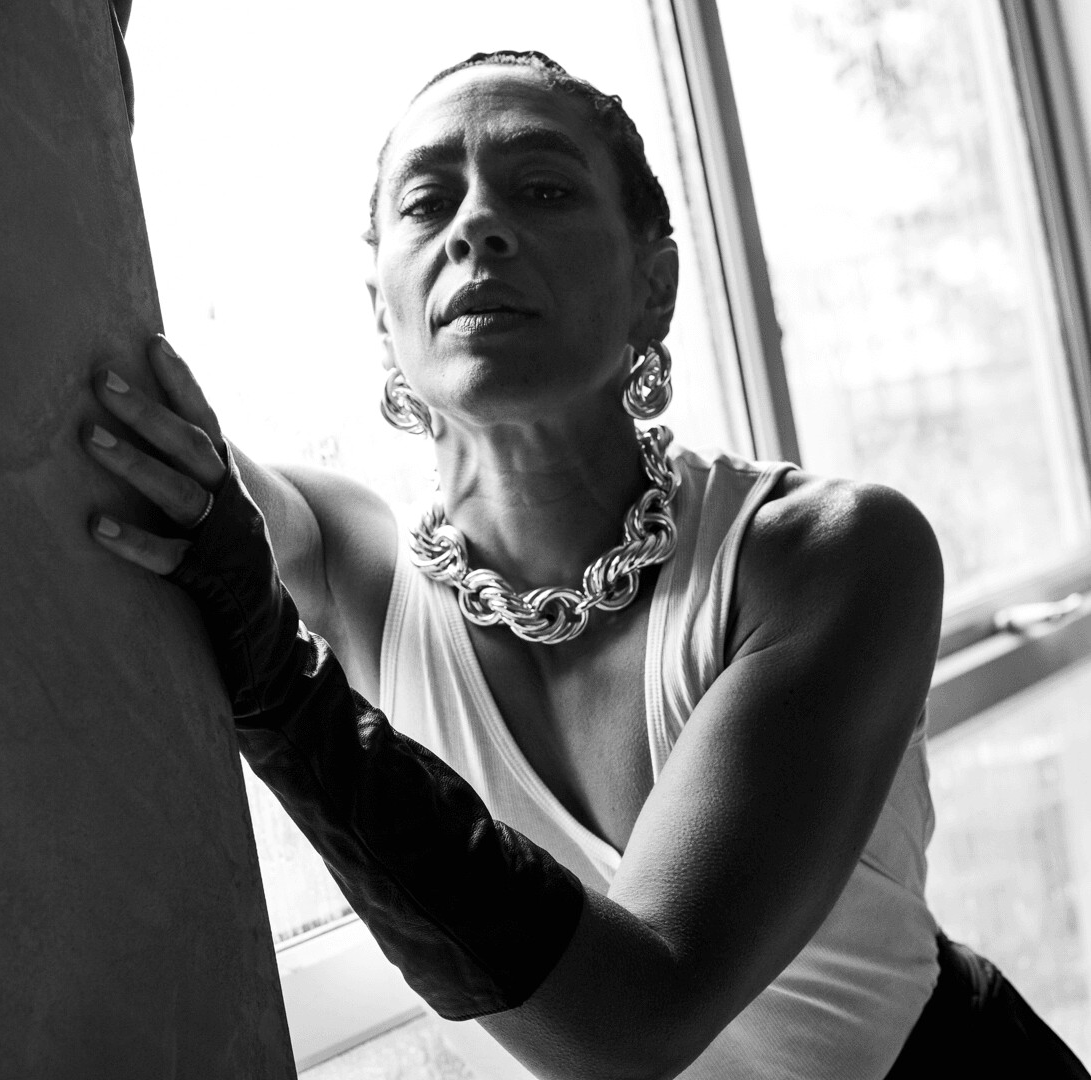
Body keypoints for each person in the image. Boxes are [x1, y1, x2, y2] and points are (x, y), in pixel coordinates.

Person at [81, 50, 1090, 1080]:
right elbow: (137, 434)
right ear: (382, 311)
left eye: (544, 189)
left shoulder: (827, 554)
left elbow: (638, 1018)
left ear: (655, 284)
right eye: (427, 203)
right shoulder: (352, 566)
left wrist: (282, 691)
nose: (477, 225)